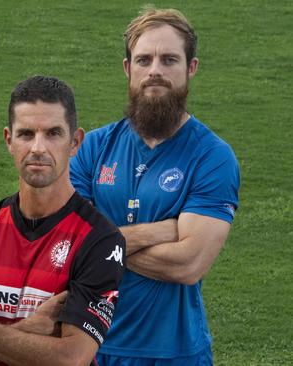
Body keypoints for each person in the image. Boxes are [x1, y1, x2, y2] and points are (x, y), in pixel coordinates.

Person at [69, 7, 241, 366]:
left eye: (169, 60)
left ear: (190, 68)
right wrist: (166, 231)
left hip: (174, 354)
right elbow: (68, 247)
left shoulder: (213, 157)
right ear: (128, 69)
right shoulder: (91, 148)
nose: (155, 71)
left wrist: (103, 244)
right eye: (144, 60)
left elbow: (188, 265)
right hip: (88, 347)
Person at [0, 76, 125, 366]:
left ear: (75, 142)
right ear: (8, 140)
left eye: (53, 133)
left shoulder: (100, 239)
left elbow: (71, 357)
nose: (38, 147)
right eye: (26, 134)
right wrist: (29, 329)